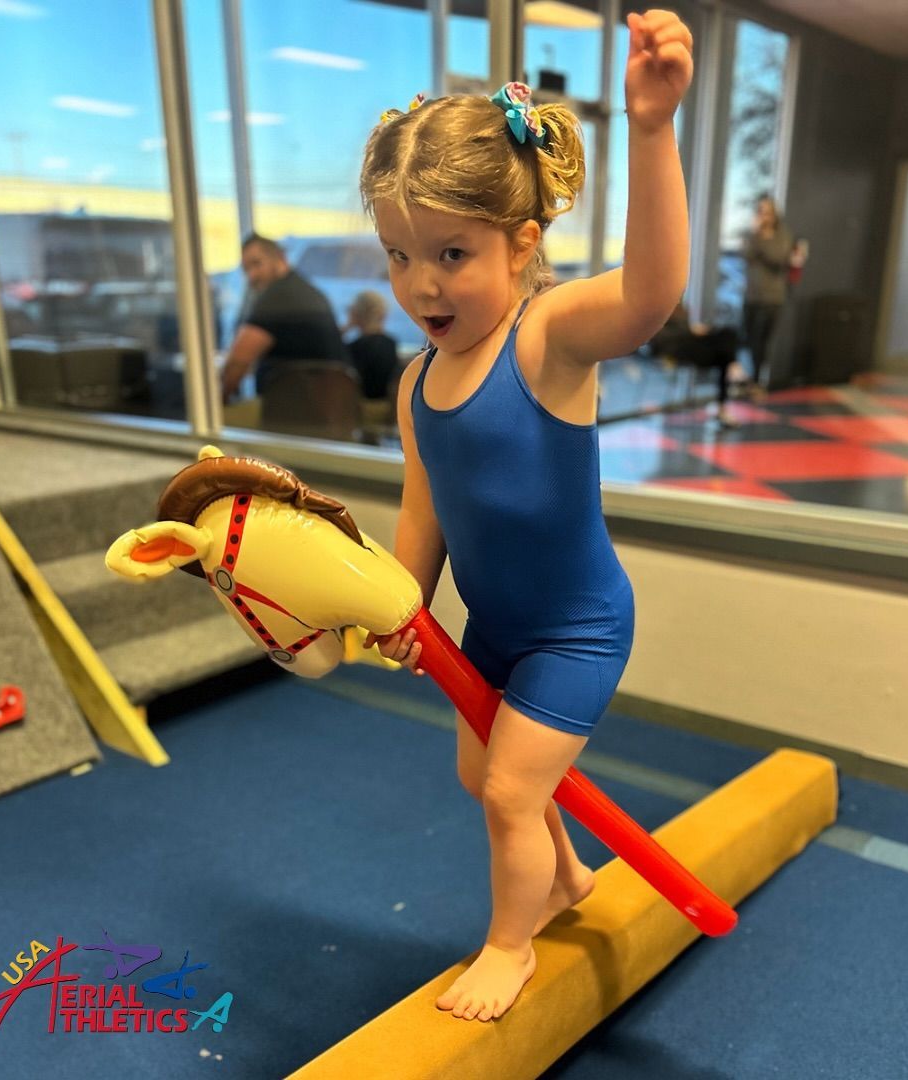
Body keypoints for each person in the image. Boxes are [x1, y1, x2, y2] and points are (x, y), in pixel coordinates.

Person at [361, 9, 692, 1023]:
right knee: (485, 779)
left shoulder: (546, 339)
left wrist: (649, 130)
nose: (423, 284)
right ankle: (565, 877)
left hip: (576, 629)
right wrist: (405, 607)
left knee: (511, 788)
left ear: (524, 242)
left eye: (452, 254)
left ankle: (512, 945)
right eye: (399, 256)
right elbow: (426, 512)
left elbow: (647, 297)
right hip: (492, 630)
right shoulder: (419, 381)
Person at [220, 233, 347, 404]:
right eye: (246, 270)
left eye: (257, 264)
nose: (251, 276)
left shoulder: (277, 297)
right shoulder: (307, 291)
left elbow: (237, 364)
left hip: (294, 414)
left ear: (280, 258)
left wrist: (218, 402)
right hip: (329, 409)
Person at [651, 301, 741, 427]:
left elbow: (685, 328)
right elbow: (661, 337)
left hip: (690, 345)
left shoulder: (678, 307)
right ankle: (736, 371)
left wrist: (697, 331)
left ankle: (733, 367)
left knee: (727, 338)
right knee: (725, 353)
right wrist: (690, 332)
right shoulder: (658, 309)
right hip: (677, 349)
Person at [741, 194, 795, 395]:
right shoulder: (753, 235)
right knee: (747, 338)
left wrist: (759, 241)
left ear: (774, 214)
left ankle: (757, 381)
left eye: (766, 212)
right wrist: (754, 235)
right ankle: (748, 379)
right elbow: (745, 255)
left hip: (771, 299)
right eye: (759, 211)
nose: (762, 216)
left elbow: (778, 260)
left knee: (761, 342)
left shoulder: (782, 236)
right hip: (752, 296)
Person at [343, 290, 400, 400]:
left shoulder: (355, 347)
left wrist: (347, 327)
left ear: (355, 315)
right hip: (386, 407)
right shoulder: (391, 343)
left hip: (359, 408)